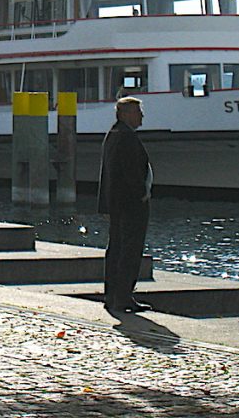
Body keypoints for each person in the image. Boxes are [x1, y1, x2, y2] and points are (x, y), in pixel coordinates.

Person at [97, 96, 153, 314]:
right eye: (138, 112)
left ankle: (113, 295)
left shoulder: (114, 134)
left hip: (117, 203)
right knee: (129, 249)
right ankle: (123, 296)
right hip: (130, 204)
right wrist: (142, 193)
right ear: (126, 114)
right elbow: (131, 171)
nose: (142, 116)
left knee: (117, 248)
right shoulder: (127, 137)